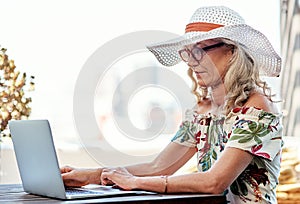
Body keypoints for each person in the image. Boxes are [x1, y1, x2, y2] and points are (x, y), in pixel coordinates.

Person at [61, 6, 283, 203]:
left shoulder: (257, 108)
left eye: (201, 50)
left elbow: (214, 182)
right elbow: (159, 167)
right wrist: (89, 175)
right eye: (188, 52)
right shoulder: (202, 111)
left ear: (232, 51)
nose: (192, 60)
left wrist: (135, 182)